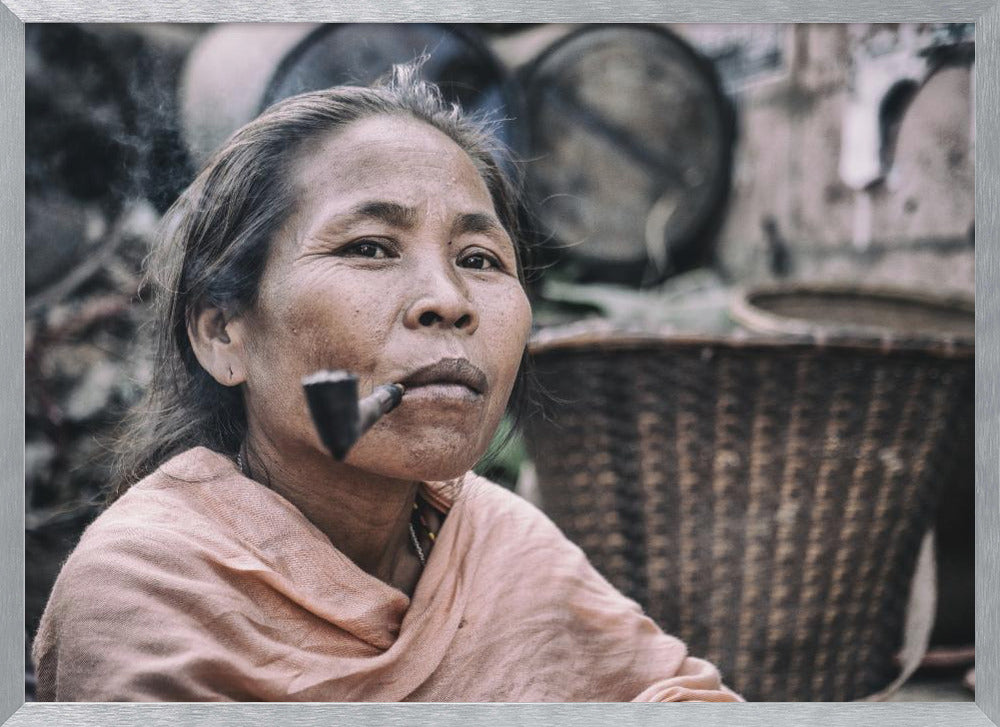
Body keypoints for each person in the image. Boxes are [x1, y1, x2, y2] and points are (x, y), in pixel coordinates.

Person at [32, 63, 741, 703]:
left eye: (480, 257)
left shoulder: (497, 540)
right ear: (224, 333)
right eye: (369, 247)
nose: (450, 299)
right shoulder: (147, 589)